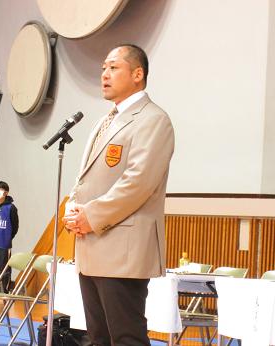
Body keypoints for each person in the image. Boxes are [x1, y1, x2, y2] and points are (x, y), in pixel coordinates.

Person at [63, 44, 175, 346]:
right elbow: (86, 177)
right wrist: (73, 207)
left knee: (126, 338)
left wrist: (91, 216)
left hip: (122, 249)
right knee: (98, 337)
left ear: (137, 74)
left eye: (113, 67)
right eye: (103, 68)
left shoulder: (153, 119)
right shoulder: (104, 121)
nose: (104, 74)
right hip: (92, 245)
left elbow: (138, 183)